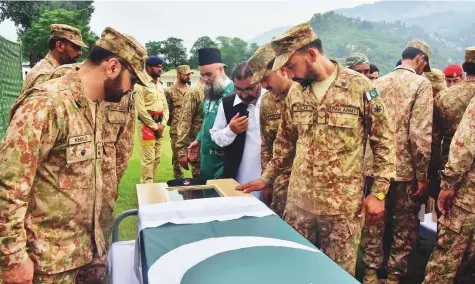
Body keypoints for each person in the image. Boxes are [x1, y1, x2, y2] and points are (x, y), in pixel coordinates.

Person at [237, 23, 396, 276]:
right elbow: (285, 143)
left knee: (337, 275)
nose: (288, 74)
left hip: (341, 209)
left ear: (311, 56)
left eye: (291, 66)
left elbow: (384, 142)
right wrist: (266, 177)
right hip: (300, 206)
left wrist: (378, 193)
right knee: (296, 271)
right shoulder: (296, 93)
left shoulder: (361, 88)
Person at [0, 27, 148, 284]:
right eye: (132, 80)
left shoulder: (100, 104)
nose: (129, 89)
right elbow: (9, 185)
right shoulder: (48, 103)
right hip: (50, 262)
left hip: (92, 250)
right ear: (112, 67)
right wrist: (13, 258)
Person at [361, 40, 434, 284]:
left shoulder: (376, 84)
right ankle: (393, 276)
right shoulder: (421, 84)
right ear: (421, 59)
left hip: (374, 167)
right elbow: (420, 135)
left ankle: (370, 273)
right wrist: (423, 177)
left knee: (373, 222)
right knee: (403, 226)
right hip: (404, 171)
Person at [423, 49, 475, 283]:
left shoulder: (446, 98)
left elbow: (457, 144)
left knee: (446, 259)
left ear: (466, 69)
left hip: (463, 189)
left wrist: (442, 181)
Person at [247, 42, 294, 215]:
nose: (264, 85)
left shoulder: (306, 96)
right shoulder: (267, 102)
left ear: (282, 69)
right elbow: (267, 144)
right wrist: (268, 182)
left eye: (266, 78)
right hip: (279, 185)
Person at [430, 47, 475, 217]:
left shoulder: (444, 97)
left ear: (465, 68)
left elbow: (433, 141)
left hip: (449, 171)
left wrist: (433, 177)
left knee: (447, 223)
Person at [10, 24, 88, 121]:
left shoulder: (58, 70)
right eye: (76, 47)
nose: (80, 52)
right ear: (59, 46)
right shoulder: (45, 75)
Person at [210, 61, 264, 199]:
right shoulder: (227, 103)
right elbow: (215, 136)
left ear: (260, 81)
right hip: (237, 178)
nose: (244, 95)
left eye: (249, 89)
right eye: (239, 90)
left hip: (266, 179)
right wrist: (230, 130)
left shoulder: (272, 101)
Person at [187, 48, 234, 180]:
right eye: (202, 75)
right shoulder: (212, 91)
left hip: (224, 161)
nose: (205, 79)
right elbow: (207, 119)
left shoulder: (234, 92)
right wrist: (198, 139)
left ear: (221, 69)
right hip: (207, 158)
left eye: (208, 74)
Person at [134, 56, 169, 183]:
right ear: (148, 67)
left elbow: (165, 107)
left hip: (160, 124)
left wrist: (163, 124)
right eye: (158, 67)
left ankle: (151, 183)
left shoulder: (159, 84)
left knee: (157, 157)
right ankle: (146, 188)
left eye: (161, 67)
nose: (160, 69)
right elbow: (141, 109)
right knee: (148, 158)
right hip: (146, 126)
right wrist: (154, 126)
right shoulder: (140, 84)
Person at [165, 65, 193, 179]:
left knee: (193, 156)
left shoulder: (192, 91)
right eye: (185, 74)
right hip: (176, 130)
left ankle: (195, 181)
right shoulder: (170, 91)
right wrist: (174, 124)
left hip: (190, 131)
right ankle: (179, 180)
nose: (188, 76)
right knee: (177, 158)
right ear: (178, 75)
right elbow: (167, 111)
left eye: (189, 74)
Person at [176, 80, 204, 178]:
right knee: (200, 184)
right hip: (198, 148)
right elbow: (184, 121)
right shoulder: (195, 92)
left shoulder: (221, 90)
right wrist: (182, 151)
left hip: (216, 149)